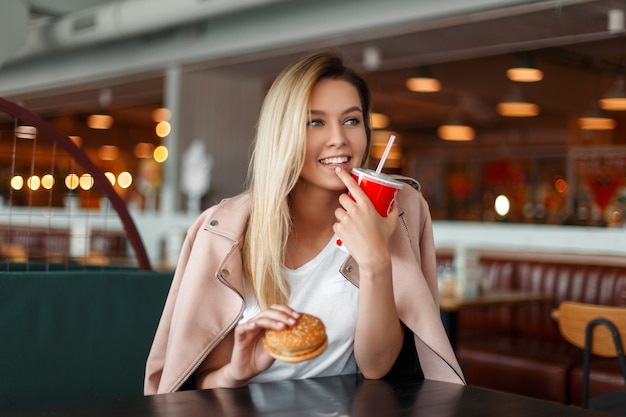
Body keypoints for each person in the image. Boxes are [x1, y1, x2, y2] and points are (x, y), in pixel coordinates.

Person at [144, 49, 465, 395]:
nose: (338, 139)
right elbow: (199, 382)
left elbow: (376, 366)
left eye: (351, 120)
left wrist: (375, 260)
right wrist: (235, 373)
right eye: (315, 122)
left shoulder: (394, 212)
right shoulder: (223, 232)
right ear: (282, 134)